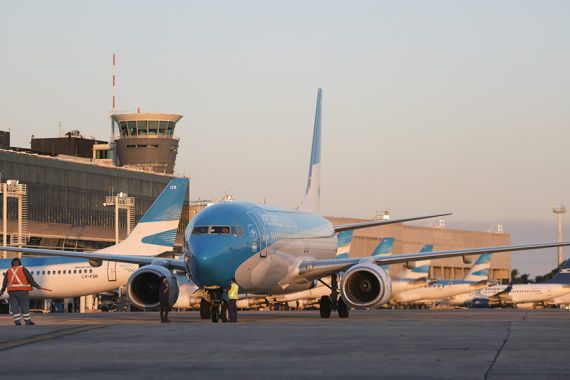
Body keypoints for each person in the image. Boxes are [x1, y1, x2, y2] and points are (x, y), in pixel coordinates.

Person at [0, 258, 46, 326]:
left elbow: (4, 283)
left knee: (15, 307)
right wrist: (37, 286)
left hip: (12, 292)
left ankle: (17, 322)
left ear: (12, 264)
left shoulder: (9, 271)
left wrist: (2, 291)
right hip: (22, 291)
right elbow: (30, 279)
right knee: (24, 306)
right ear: (19, 263)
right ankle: (28, 321)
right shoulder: (23, 269)